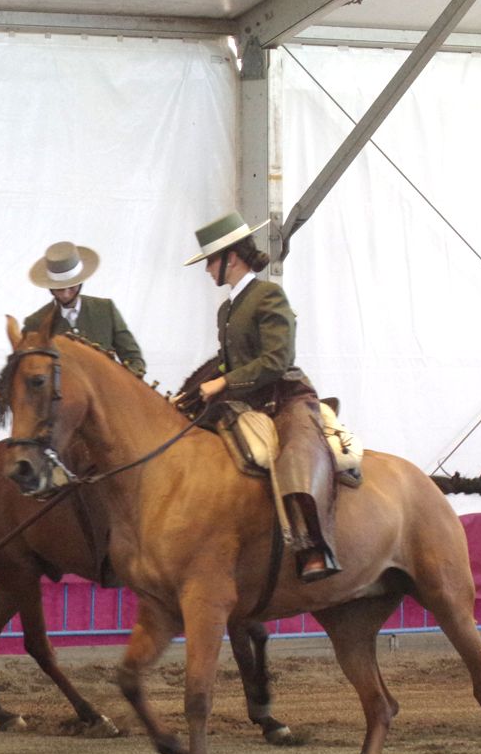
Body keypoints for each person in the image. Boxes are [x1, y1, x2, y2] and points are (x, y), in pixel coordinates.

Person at [184, 211, 339, 583]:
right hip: (247, 401)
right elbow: (229, 364)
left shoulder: (269, 295)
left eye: (210, 262)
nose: (207, 270)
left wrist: (223, 383)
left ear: (230, 259)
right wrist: (198, 389)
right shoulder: (227, 309)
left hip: (286, 397)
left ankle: (313, 546)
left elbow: (276, 359)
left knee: (296, 457)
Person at [22, 240, 146, 376]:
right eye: (60, 289)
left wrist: (124, 384)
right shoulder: (35, 323)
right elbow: (28, 371)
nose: (65, 294)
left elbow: (134, 358)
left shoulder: (105, 310)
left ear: (81, 282)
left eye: (72, 286)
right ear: (50, 288)